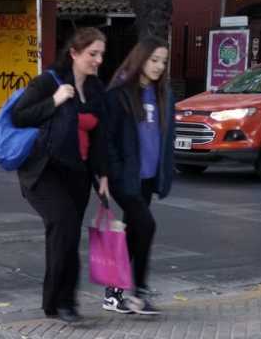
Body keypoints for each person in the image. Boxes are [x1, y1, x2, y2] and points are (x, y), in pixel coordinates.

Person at [10, 28, 110, 323]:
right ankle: (64, 302)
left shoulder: (95, 90)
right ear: (75, 53)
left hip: (77, 175)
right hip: (44, 172)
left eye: (101, 54)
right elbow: (19, 115)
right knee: (64, 225)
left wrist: (102, 174)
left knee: (65, 236)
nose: (98, 60)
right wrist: (54, 101)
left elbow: (100, 137)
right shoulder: (48, 82)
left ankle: (56, 303)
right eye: (93, 54)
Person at [101, 39, 176, 316]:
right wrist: (110, 173)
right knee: (147, 225)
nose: (159, 66)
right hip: (125, 177)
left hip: (148, 176)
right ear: (140, 58)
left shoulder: (163, 94)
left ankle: (115, 293)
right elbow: (107, 139)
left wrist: (166, 170)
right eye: (154, 59)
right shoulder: (119, 94)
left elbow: (166, 137)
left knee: (136, 231)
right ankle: (139, 292)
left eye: (163, 61)